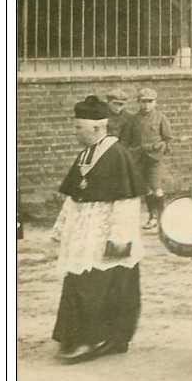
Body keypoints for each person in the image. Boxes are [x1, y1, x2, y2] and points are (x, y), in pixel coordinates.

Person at [51, 95, 144, 362]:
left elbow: (127, 200)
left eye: (79, 127)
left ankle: (100, 339)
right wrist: (61, 227)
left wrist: (119, 237)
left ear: (97, 127)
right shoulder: (86, 155)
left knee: (101, 284)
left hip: (106, 233)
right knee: (79, 279)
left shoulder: (117, 155)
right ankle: (76, 336)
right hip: (84, 232)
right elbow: (74, 196)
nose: (75, 131)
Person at [120, 87, 173, 231]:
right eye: (143, 102)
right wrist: (130, 153)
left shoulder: (161, 118)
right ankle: (152, 217)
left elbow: (167, 139)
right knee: (147, 189)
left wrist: (160, 147)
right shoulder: (133, 120)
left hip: (154, 158)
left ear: (155, 102)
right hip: (138, 159)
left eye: (150, 102)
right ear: (138, 102)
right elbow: (125, 141)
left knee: (156, 188)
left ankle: (163, 219)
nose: (147, 105)